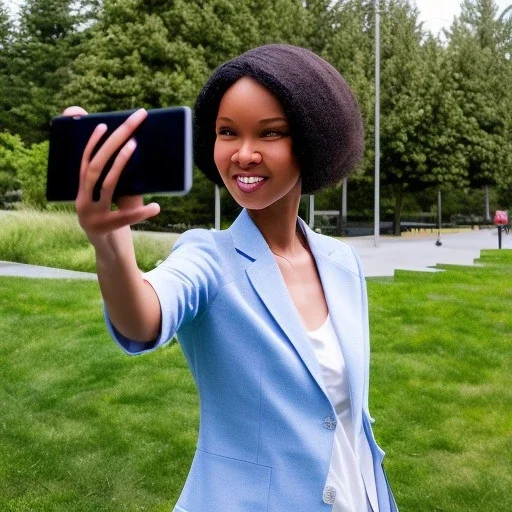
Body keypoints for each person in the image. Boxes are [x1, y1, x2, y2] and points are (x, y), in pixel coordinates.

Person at [68, 44, 398, 512]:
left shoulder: (342, 262)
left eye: (270, 134)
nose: (244, 154)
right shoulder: (208, 256)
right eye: (227, 132)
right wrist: (111, 245)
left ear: (310, 140)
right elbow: (142, 318)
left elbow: (347, 416)